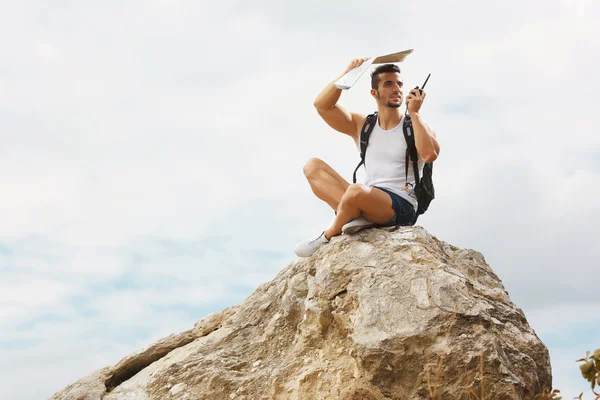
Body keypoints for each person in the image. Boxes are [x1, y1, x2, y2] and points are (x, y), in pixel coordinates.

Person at [294, 58, 440, 257]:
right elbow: (322, 105)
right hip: (366, 196)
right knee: (312, 167)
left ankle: (327, 235)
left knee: (355, 192)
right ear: (374, 93)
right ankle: (359, 217)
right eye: (388, 84)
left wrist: (414, 114)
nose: (396, 89)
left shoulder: (414, 126)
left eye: (399, 84)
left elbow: (430, 154)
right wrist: (349, 73)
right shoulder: (363, 125)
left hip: (400, 205)